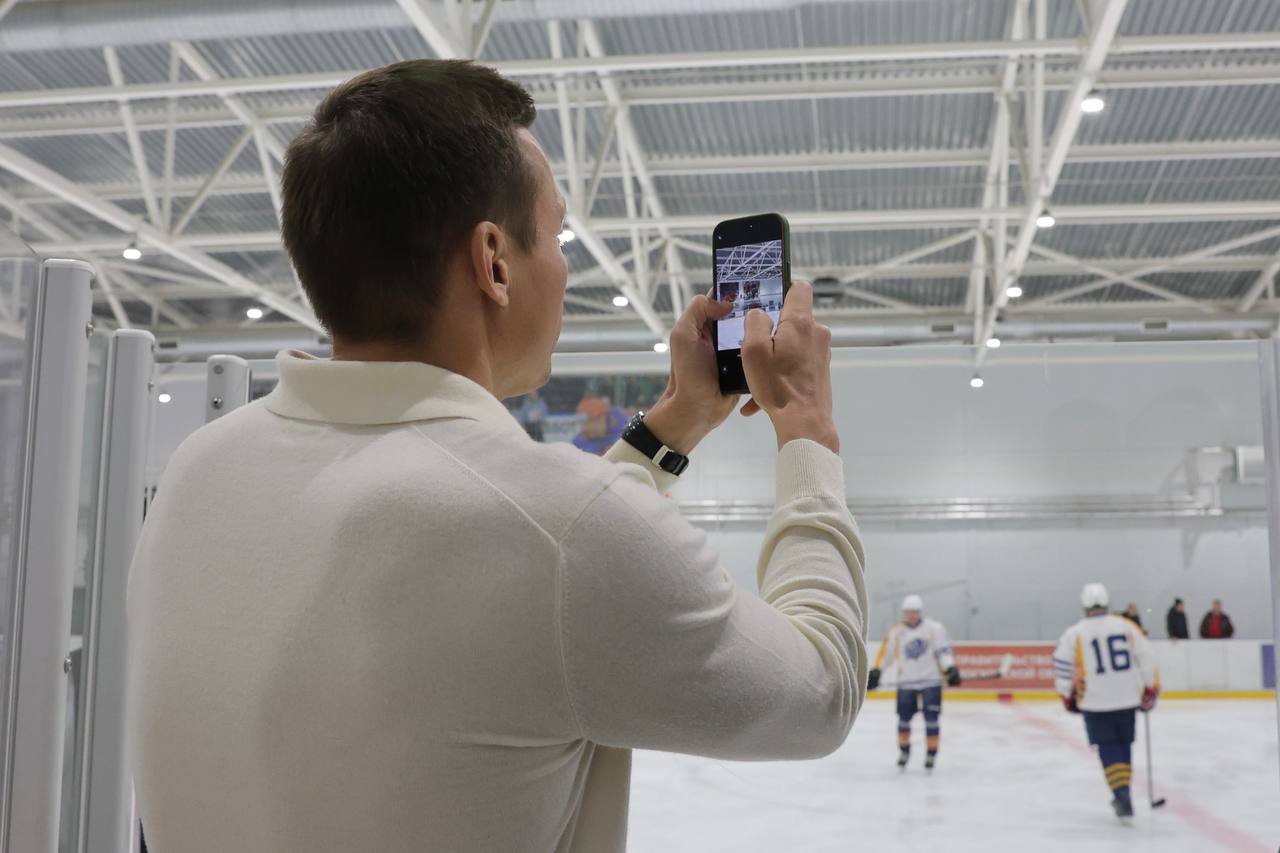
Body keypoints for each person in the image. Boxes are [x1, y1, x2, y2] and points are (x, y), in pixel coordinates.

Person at [126, 59, 868, 853]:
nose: (565, 266)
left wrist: (675, 423)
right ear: (493, 261)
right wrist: (806, 429)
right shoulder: (557, 526)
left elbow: (535, 554)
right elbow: (819, 687)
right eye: (554, 234)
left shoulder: (199, 473)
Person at [1053, 583, 1159, 819]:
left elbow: (1061, 664)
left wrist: (1065, 694)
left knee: (1108, 746)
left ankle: (1121, 794)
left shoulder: (1075, 632)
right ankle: (1124, 792)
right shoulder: (1127, 626)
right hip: (1127, 698)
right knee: (1124, 744)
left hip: (1095, 701)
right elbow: (1147, 657)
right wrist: (1151, 688)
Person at [867, 595, 960, 770]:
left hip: (930, 682)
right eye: (908, 612)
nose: (911, 615)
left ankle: (931, 754)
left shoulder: (933, 628)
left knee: (932, 719)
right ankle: (904, 751)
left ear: (920, 612)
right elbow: (885, 655)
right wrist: (877, 671)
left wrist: (949, 668)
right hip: (906, 683)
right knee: (903, 720)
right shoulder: (896, 632)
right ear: (904, 613)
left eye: (915, 612)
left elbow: (943, 650)